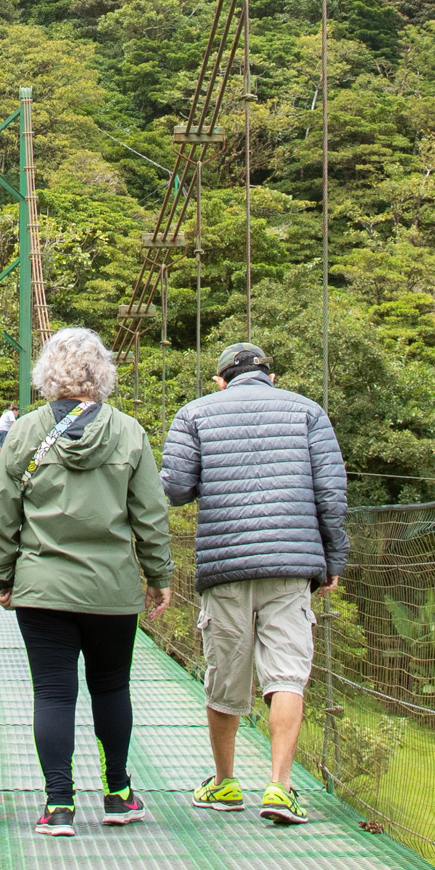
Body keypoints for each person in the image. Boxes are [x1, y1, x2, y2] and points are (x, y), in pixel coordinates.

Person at [0, 326, 172, 838]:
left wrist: (1, 575)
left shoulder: (23, 432)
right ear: (102, 374)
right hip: (111, 587)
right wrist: (158, 575)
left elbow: (0, 514)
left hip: (43, 586)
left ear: (47, 374)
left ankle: (58, 805)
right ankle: (117, 793)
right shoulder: (129, 432)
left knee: (54, 693)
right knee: (112, 687)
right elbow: (150, 514)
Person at [158, 339, 348, 825]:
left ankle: (224, 784)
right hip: (291, 565)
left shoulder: (195, 413)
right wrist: (333, 558)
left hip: (225, 566)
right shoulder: (309, 413)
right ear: (272, 377)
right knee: (287, 673)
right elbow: (331, 493)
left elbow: (175, 489)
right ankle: (280, 788)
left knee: (225, 674)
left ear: (221, 380)